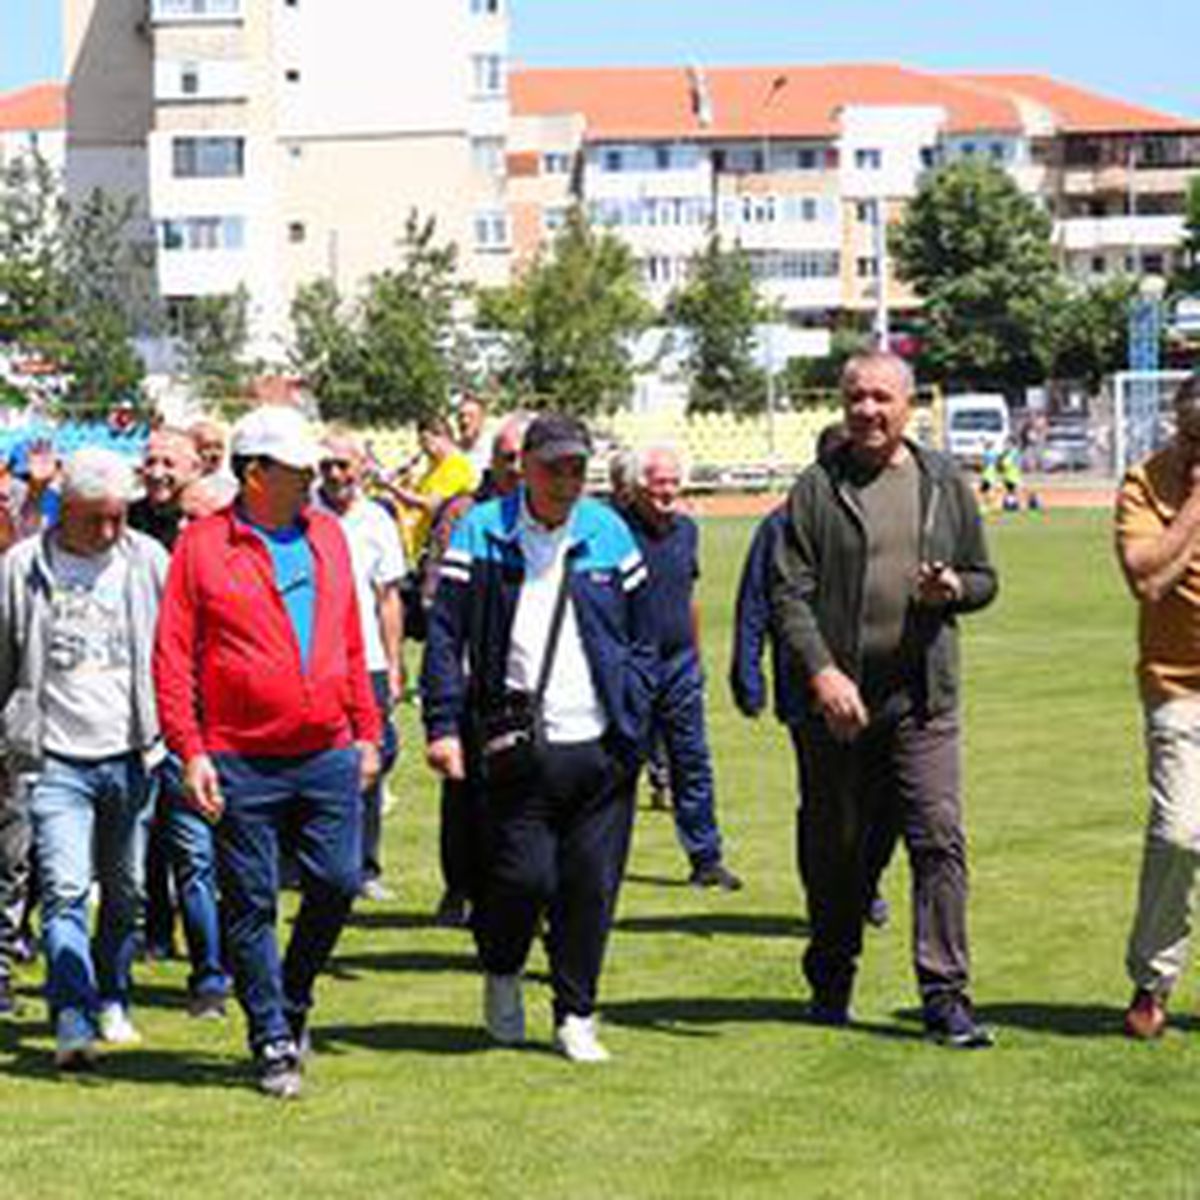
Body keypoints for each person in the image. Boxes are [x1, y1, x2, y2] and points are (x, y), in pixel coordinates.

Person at [770, 350, 998, 1047]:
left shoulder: (942, 482)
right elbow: (788, 592)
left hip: (921, 700)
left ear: (908, 407)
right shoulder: (816, 487)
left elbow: (985, 577)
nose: (868, 410)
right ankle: (831, 975)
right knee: (840, 850)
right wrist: (823, 672)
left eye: (881, 398)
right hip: (838, 710)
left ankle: (946, 998)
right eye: (856, 397)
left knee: (937, 839)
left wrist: (953, 589)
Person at [154, 405, 381, 1099]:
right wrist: (189, 750)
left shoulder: (330, 536)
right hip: (238, 757)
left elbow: (350, 634)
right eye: (296, 469)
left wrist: (367, 728)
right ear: (255, 474)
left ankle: (294, 993)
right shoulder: (202, 546)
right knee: (250, 901)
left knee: (339, 882)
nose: (311, 478)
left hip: (327, 751)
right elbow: (172, 656)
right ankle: (272, 1037)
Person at [422, 412, 656, 1063]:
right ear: (523, 465)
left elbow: (646, 636)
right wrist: (442, 724)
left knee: (590, 885)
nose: (566, 479)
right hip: (514, 741)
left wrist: (635, 716)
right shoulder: (482, 530)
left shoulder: (610, 532)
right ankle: (502, 971)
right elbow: (445, 636)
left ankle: (576, 1011)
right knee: (521, 878)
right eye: (553, 466)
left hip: (603, 744)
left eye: (577, 467)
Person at [0, 448, 169, 1068]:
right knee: (66, 888)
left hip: (132, 751)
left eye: (117, 518)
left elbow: (174, 654)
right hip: (52, 758)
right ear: (63, 509)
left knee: (124, 890)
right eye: (94, 518)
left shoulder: (148, 562)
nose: (107, 531)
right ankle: (71, 1014)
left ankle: (113, 996)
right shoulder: (21, 569)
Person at [730, 423, 895, 929]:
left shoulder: (883, 518)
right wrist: (746, 670)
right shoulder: (781, 525)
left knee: (883, 800)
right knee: (825, 803)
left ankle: (864, 883)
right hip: (806, 690)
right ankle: (826, 899)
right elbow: (755, 602)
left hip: (879, 685)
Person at [128, 428, 231, 1017]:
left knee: (216, 858)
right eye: (152, 461)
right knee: (174, 853)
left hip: (227, 729)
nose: (190, 533)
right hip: (162, 722)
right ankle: (206, 972)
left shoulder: (238, 563)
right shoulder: (136, 536)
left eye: (172, 462)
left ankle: (222, 967)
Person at [1114, 372, 1200, 1040]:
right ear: (1179, 421)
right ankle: (1152, 978)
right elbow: (1148, 579)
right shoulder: (1146, 483)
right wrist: (1197, 505)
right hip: (1178, 687)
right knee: (1178, 832)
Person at [618, 445, 742, 890]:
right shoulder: (616, 532)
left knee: (693, 761)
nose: (667, 490)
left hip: (680, 665)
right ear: (637, 487)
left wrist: (696, 656)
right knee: (619, 766)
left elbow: (688, 597)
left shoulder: (687, 531)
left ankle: (706, 859)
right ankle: (604, 858)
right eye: (657, 481)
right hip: (632, 665)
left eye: (673, 481)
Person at [426, 414, 528, 928]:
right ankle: (459, 887)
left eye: (521, 458)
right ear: (492, 461)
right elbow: (440, 604)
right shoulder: (467, 514)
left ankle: (518, 895)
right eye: (506, 458)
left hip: (531, 685)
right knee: (465, 796)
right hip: (473, 682)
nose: (515, 468)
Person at [315, 427, 406, 902]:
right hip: (313, 659)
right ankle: (306, 861)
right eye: (327, 466)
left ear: (361, 469)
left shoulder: (377, 520)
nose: (334, 475)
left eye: (343, 466)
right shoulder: (302, 515)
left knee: (370, 761)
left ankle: (365, 866)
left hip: (365, 659)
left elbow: (388, 597)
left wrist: (392, 664)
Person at [455, 392, 492, 478]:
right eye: (461, 416)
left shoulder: (493, 450)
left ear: (482, 419)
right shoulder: (452, 451)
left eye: (471, 416)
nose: (465, 421)